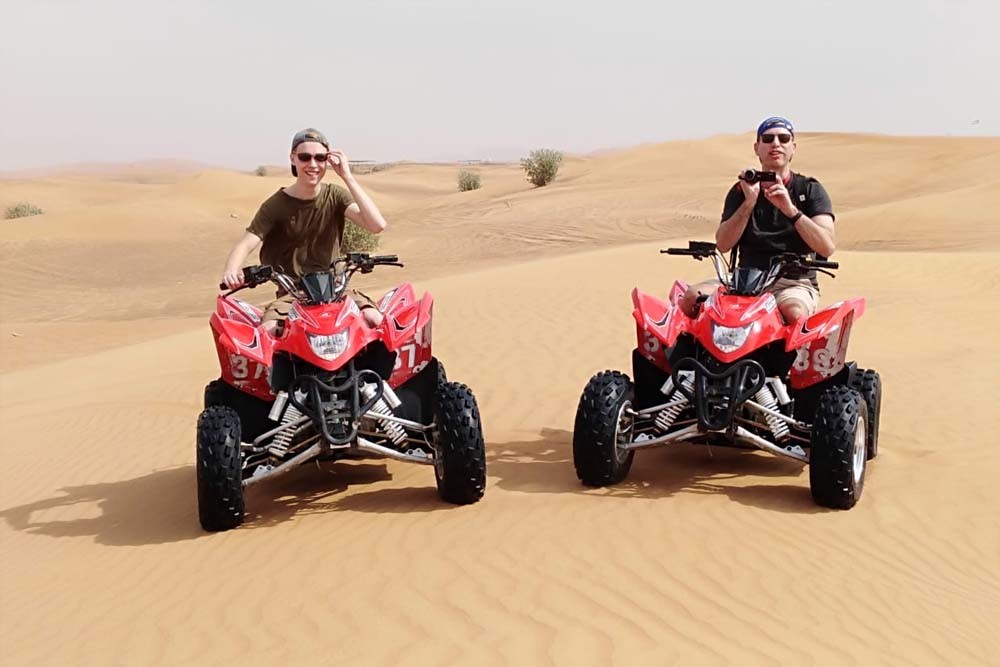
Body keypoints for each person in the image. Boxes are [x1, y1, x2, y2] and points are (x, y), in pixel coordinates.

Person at [221, 128, 388, 333]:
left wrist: (347, 176)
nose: (313, 164)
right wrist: (232, 270)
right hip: (293, 295)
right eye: (304, 157)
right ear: (293, 159)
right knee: (269, 332)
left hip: (334, 290)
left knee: (375, 320)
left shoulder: (335, 196)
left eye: (320, 158)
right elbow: (247, 242)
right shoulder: (275, 205)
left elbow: (376, 225)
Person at [681, 116, 836, 323]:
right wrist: (748, 203)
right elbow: (724, 244)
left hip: (792, 283)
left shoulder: (809, 190)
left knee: (795, 315)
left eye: (783, 139)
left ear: (793, 148)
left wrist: (790, 209)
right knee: (692, 297)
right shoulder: (742, 191)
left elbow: (826, 247)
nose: (776, 144)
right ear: (757, 147)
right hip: (744, 280)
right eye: (768, 138)